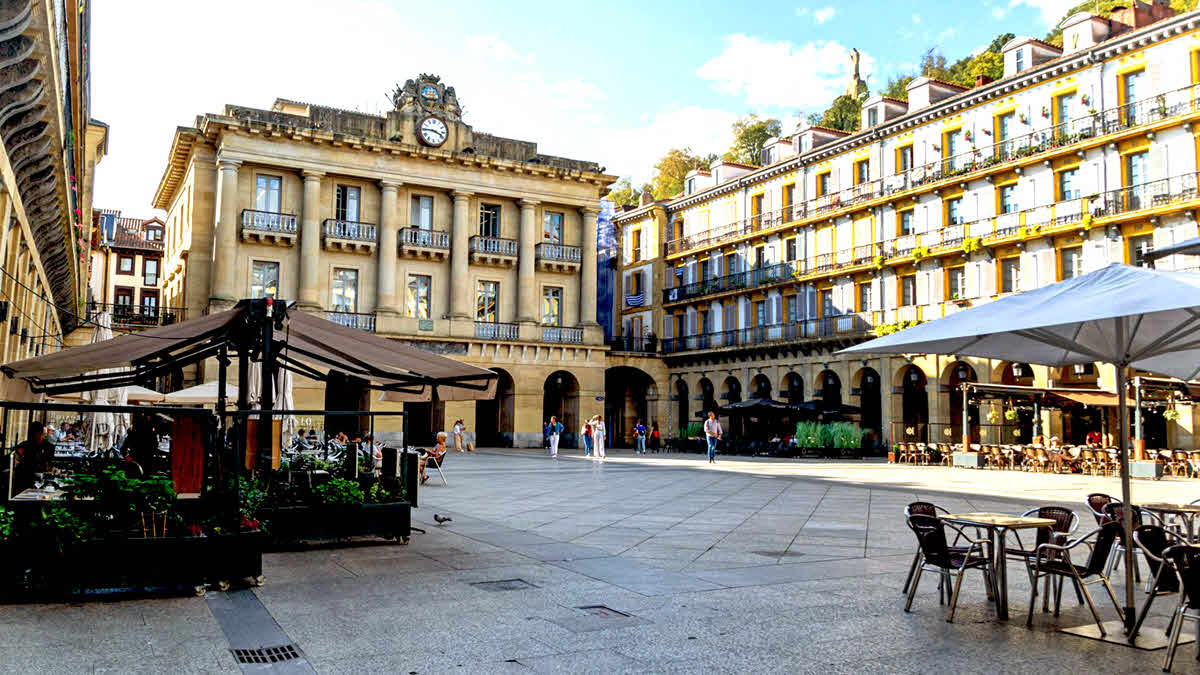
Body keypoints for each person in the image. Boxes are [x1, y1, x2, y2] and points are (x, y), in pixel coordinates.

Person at [14, 421, 54, 491]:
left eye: (38, 434)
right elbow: (15, 461)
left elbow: (49, 467)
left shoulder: (49, 447)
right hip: (24, 481)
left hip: (41, 482)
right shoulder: (24, 446)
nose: (36, 436)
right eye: (34, 434)